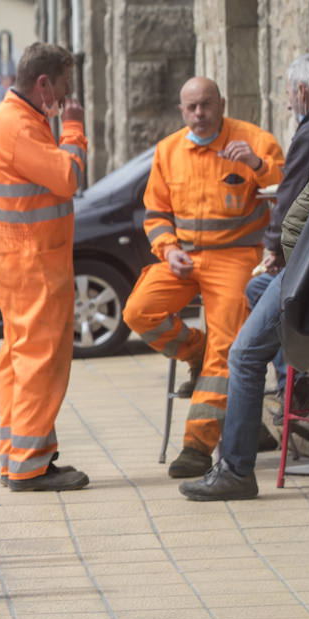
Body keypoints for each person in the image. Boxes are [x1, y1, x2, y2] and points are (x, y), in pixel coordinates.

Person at [179, 55, 309, 501]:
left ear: (301, 93)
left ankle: (236, 469)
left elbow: (293, 204)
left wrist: (274, 250)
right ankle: (292, 374)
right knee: (255, 291)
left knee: (242, 355)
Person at [122, 77, 284, 480]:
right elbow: (155, 213)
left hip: (235, 259)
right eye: (191, 107)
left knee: (226, 347)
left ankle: (198, 444)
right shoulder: (169, 150)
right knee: (138, 312)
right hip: (185, 259)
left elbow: (289, 186)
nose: (199, 113)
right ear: (181, 111)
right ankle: (194, 350)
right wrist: (168, 249)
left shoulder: (253, 140)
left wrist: (256, 165)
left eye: (206, 105)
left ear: (221, 103)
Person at [0, 42, 90, 492]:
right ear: (43, 83)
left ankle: (20, 455)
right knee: (40, 361)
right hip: (31, 261)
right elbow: (68, 178)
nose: (68, 95)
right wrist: (75, 128)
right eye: (65, 84)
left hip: (19, 258)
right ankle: (28, 464)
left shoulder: (18, 120)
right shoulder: (20, 126)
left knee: (20, 360)